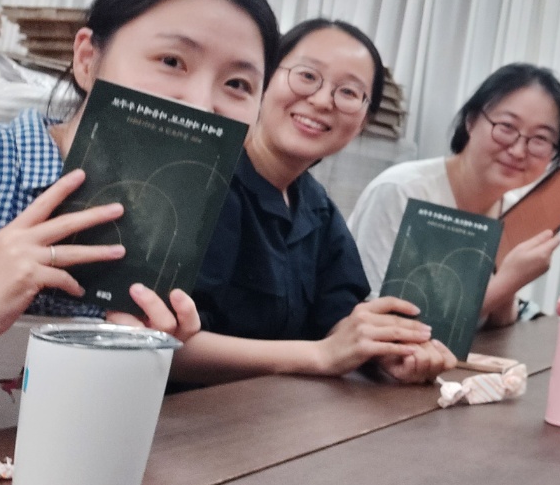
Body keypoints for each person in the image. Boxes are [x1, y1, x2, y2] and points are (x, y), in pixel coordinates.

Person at [0, 0, 279, 344]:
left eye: (237, 84)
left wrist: (152, 355)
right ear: (87, 59)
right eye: (171, 60)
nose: (201, 104)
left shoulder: (190, 228)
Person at [173, 19, 452, 386]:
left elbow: (338, 319)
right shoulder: (199, 180)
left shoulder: (317, 207)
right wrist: (320, 356)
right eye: (307, 76)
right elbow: (162, 344)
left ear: (363, 121)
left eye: (348, 92)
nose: (322, 101)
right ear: (264, 79)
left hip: (275, 414)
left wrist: (383, 352)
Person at [348, 63, 560, 329]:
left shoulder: (510, 210)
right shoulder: (402, 191)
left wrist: (511, 282)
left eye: (540, 139)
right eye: (507, 127)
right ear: (471, 121)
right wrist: (506, 281)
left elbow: (499, 325)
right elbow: (382, 324)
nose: (518, 151)